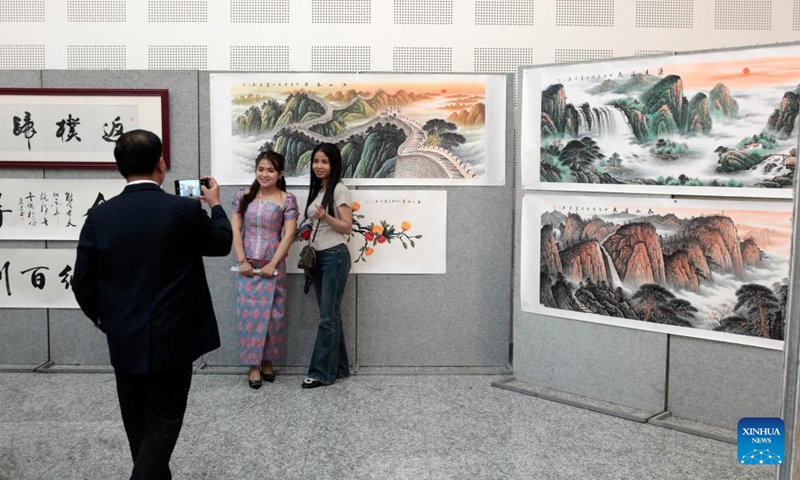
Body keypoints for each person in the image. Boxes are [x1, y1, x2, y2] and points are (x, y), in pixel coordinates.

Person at [72, 129, 232, 480]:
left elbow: (81, 283)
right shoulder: (183, 210)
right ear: (161, 164)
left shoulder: (100, 216)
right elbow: (221, 243)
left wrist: (106, 320)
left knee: (138, 426)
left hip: (124, 339)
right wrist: (216, 204)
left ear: (119, 168)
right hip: (173, 340)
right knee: (162, 424)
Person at [232, 151, 298, 389]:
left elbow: (289, 234)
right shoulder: (243, 196)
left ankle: (268, 360)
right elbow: (235, 229)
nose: (264, 174)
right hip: (248, 266)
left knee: (273, 316)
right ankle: (252, 366)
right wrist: (242, 261)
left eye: (270, 170)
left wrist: (272, 263)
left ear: (280, 174)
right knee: (250, 316)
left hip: (274, 267)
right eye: (260, 169)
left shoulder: (287, 199)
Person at [301, 142, 353, 389]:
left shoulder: (339, 189)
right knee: (330, 316)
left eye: (324, 162)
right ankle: (340, 367)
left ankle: (321, 372)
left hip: (335, 256)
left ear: (333, 165)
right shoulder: (319, 189)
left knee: (327, 317)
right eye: (315, 161)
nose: (318, 166)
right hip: (319, 257)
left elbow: (346, 227)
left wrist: (326, 217)